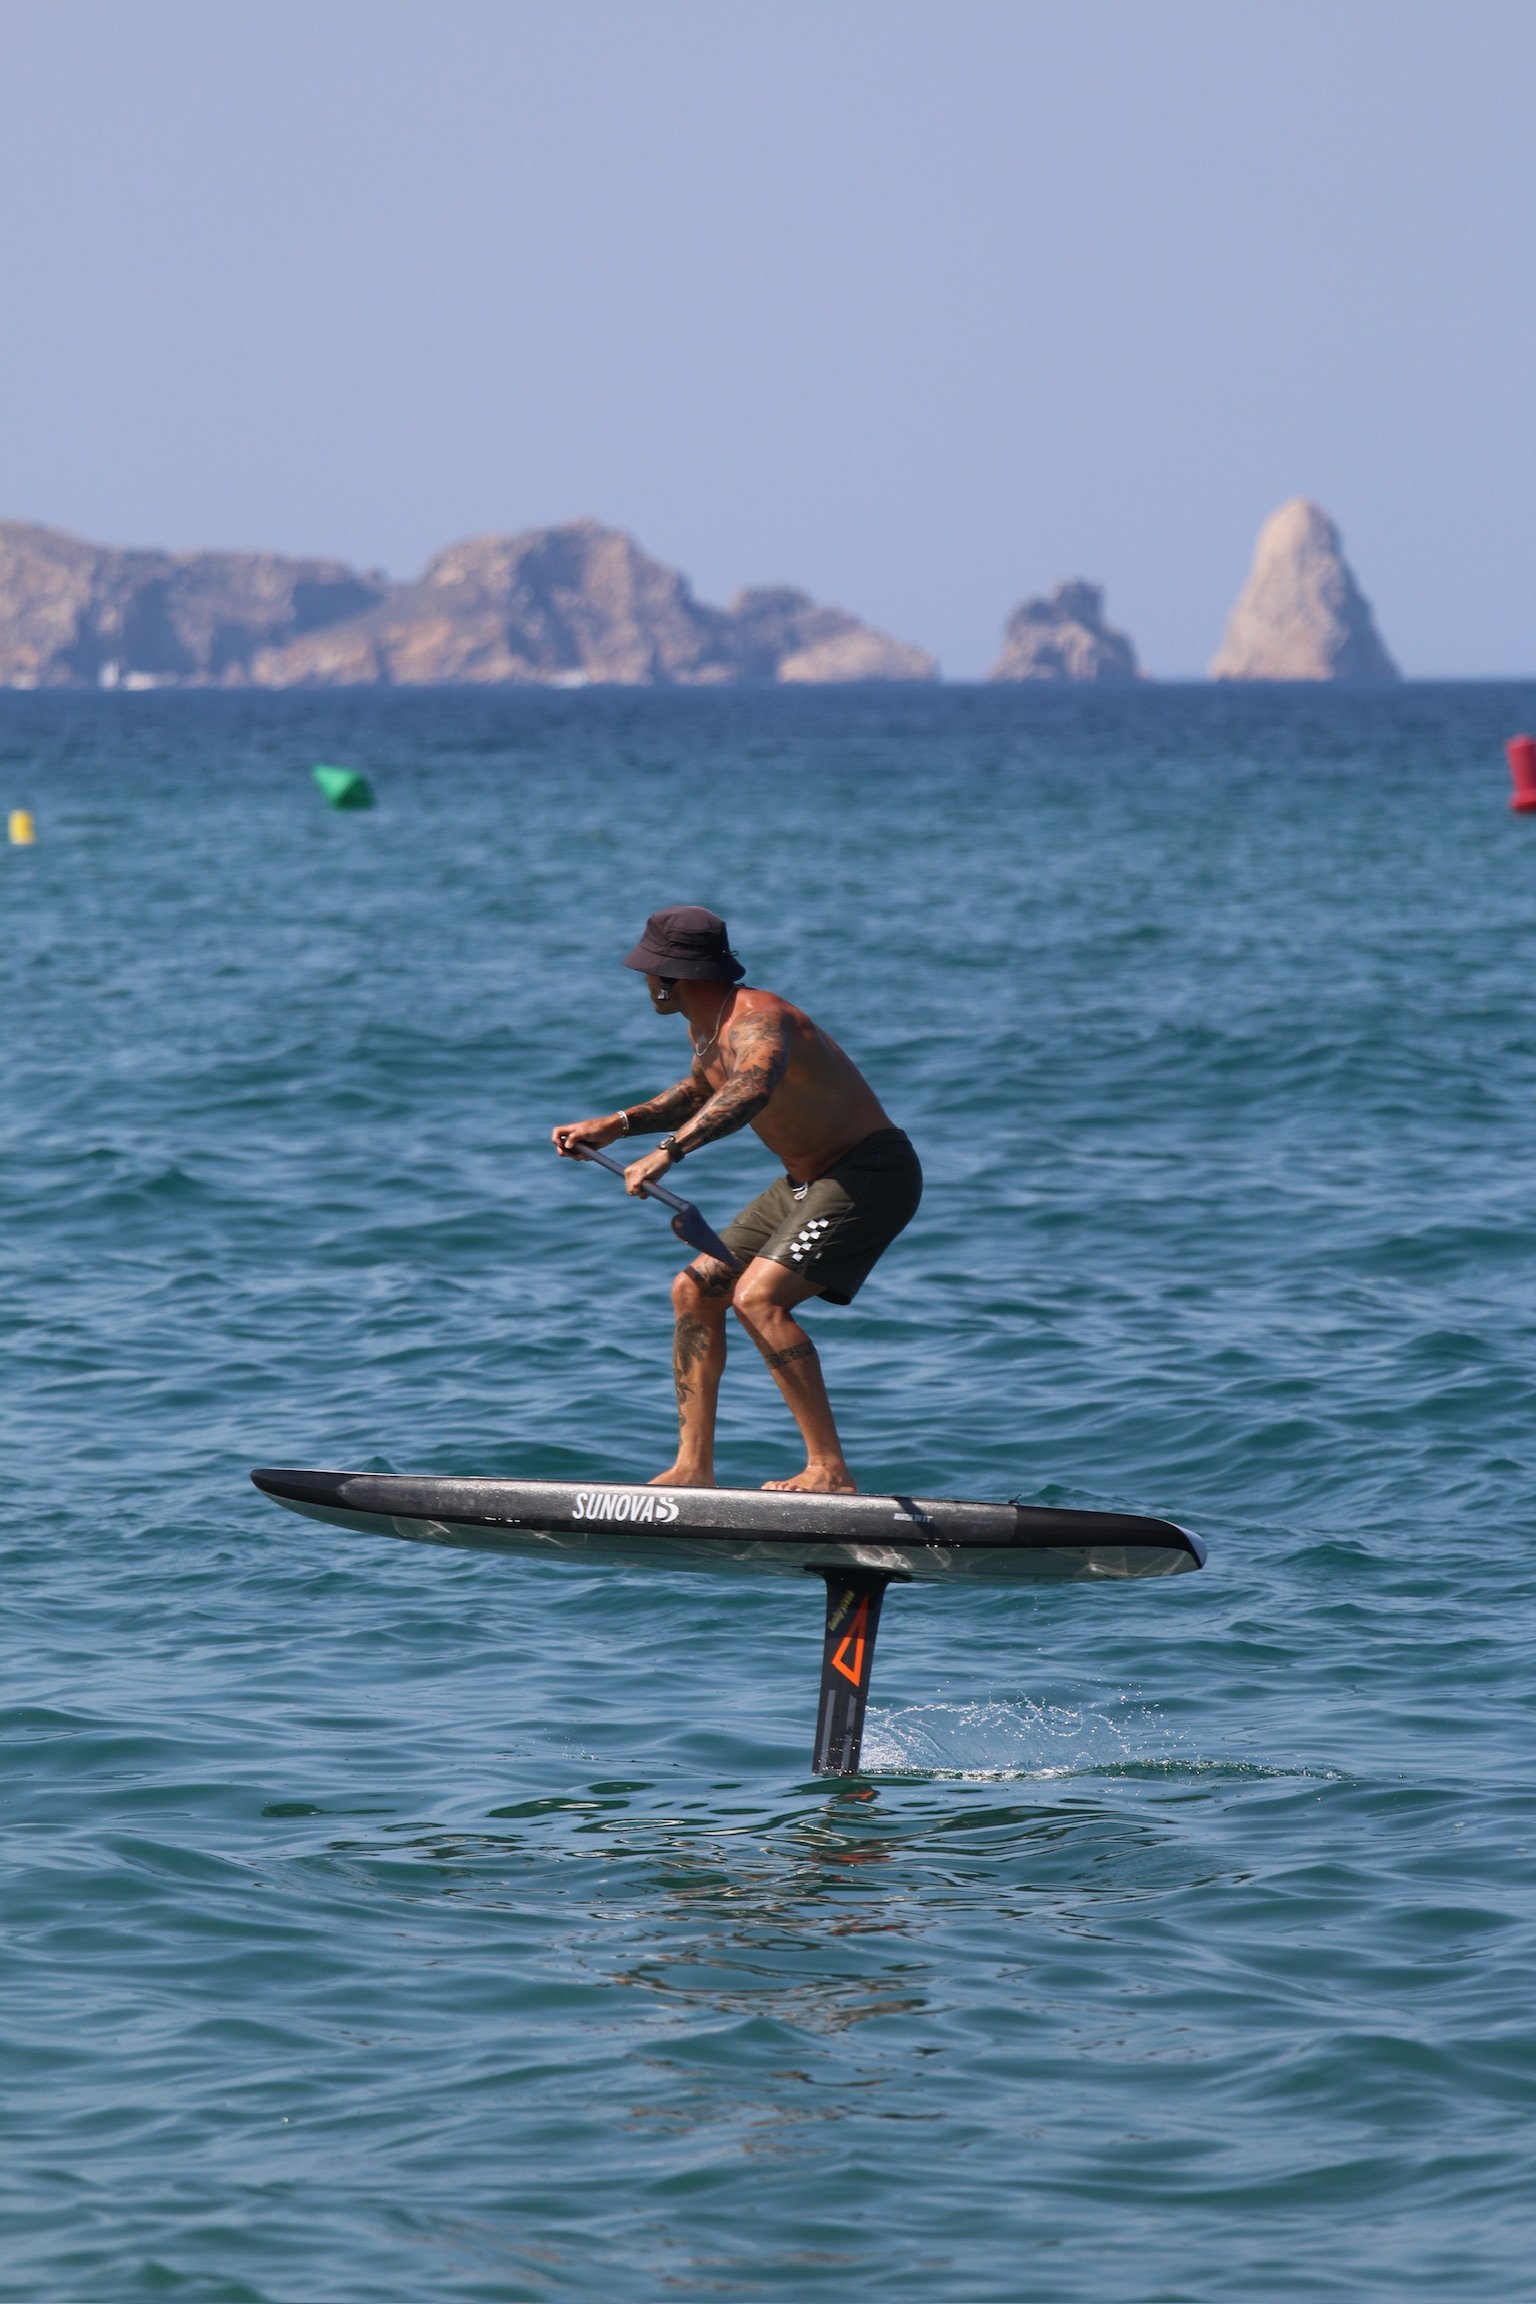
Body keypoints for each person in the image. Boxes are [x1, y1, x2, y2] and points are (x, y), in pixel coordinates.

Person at [553, 906, 921, 1493]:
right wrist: (616, 1125)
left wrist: (669, 1152)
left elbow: (750, 1088)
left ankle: (829, 1470)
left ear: (670, 977)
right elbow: (702, 1090)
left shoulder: (759, 1020)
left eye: (647, 972)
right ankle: (692, 1468)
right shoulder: (708, 1027)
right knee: (695, 1291)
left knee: (758, 1298)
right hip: (804, 1181)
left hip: (868, 1174)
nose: (644, 982)